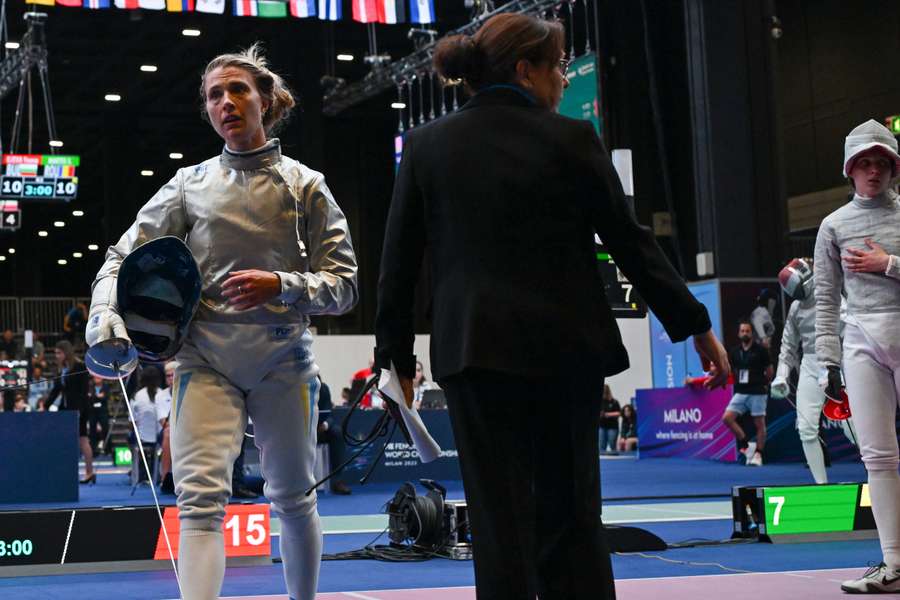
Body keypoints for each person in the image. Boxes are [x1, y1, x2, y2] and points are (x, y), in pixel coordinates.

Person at [374, 13, 729, 600]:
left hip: (474, 354)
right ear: (525, 71)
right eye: (558, 67)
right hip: (565, 354)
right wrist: (693, 324)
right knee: (571, 514)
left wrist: (396, 359)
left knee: (497, 522)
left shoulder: (427, 146)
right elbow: (631, 243)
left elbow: (399, 265)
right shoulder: (572, 139)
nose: (563, 80)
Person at [85, 44, 357, 600]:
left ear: (265, 101)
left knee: (293, 497)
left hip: (283, 358)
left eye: (238, 90)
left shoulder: (306, 185)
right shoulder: (188, 184)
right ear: (207, 111)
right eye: (215, 95)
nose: (226, 102)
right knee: (200, 503)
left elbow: (346, 286)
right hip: (204, 359)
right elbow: (120, 257)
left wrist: (281, 284)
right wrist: (104, 314)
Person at [815, 119, 900, 593]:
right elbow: (825, 299)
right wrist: (829, 362)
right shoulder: (834, 225)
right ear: (850, 170)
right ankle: (894, 563)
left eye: (880, 163)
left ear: (893, 168)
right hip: (861, 340)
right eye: (864, 163)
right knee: (878, 456)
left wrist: (885, 263)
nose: (873, 172)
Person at [770, 257, 857, 484]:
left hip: (838, 362)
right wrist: (781, 375)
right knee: (806, 427)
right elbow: (787, 346)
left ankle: (878, 473)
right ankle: (821, 485)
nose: (796, 296)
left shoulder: (831, 296)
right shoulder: (796, 309)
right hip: (810, 364)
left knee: (852, 426)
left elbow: (850, 329)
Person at [721, 319, 772, 466]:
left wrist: (764, 384)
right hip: (741, 391)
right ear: (739, 333)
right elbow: (732, 371)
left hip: (758, 391)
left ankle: (758, 455)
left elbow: (769, 372)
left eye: (747, 331)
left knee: (759, 425)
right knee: (727, 418)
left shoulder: (761, 350)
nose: (745, 333)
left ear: (752, 333)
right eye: (742, 331)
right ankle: (745, 444)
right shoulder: (735, 352)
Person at [46, 340, 95, 484]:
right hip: (66, 410)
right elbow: (57, 390)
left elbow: (83, 391)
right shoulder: (62, 369)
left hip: (79, 409)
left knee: (83, 440)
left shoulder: (79, 366)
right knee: (69, 441)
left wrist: (78, 410)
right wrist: (46, 405)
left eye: (59, 353)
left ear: (66, 353)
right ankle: (69, 471)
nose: (56, 356)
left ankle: (89, 472)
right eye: (55, 353)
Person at [316, 378, 351, 495]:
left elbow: (328, 412)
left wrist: (325, 425)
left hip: (320, 430)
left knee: (337, 433)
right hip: (299, 431)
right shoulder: (295, 389)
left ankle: (337, 481)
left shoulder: (323, 389)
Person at [132, 368, 164, 483]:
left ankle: (137, 470)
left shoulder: (137, 396)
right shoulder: (163, 394)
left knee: (131, 435)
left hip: (142, 438)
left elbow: (133, 421)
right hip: (160, 438)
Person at [87, 375, 111, 455]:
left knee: (105, 429)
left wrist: (96, 397)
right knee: (92, 431)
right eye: (95, 377)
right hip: (92, 411)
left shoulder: (105, 386)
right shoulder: (90, 386)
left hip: (102, 411)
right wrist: (98, 396)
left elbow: (106, 397)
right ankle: (93, 450)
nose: (97, 379)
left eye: (99, 377)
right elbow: (89, 397)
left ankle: (107, 449)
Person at [598, 384, 621, 453]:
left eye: (605, 390)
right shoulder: (599, 401)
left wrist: (607, 414)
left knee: (612, 444)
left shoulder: (614, 402)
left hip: (612, 426)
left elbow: (619, 413)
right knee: (602, 445)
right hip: (602, 426)